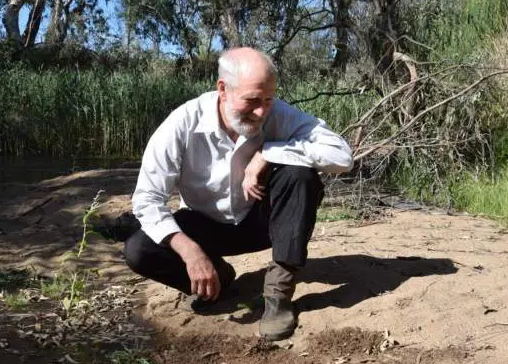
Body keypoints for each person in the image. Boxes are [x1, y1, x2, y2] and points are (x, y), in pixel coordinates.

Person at [124, 47, 353, 341]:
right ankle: (218, 278)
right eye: (252, 100)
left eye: (268, 100)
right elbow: (147, 200)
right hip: (205, 226)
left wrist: (269, 153)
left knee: (299, 173)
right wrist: (191, 252)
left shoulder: (277, 113)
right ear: (223, 89)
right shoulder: (182, 123)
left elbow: (342, 156)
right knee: (138, 250)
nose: (261, 111)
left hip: (263, 222)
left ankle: (278, 295)